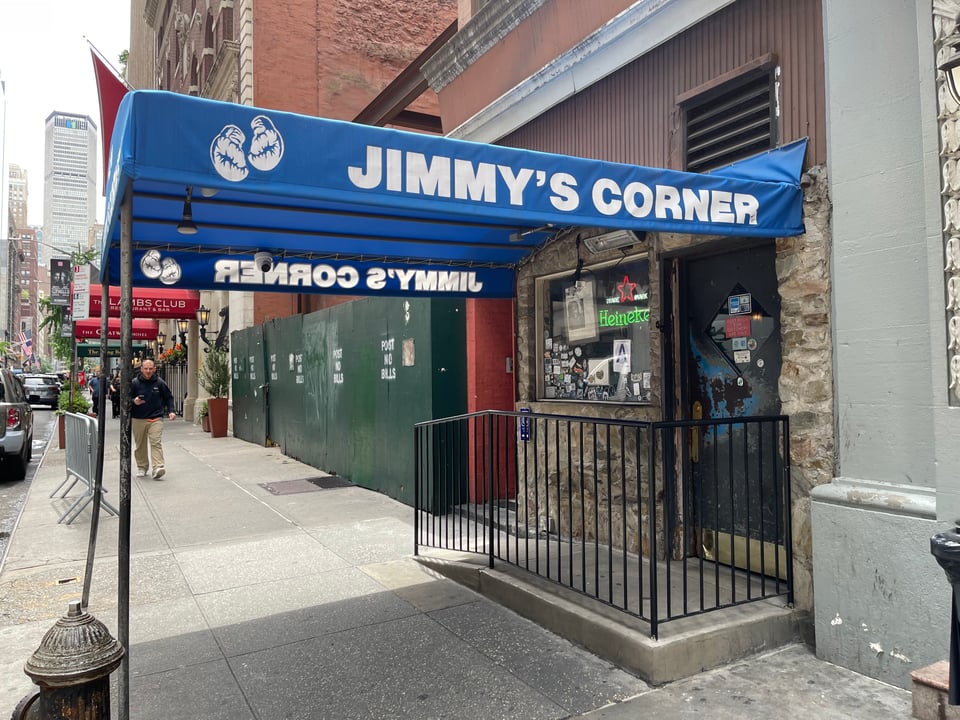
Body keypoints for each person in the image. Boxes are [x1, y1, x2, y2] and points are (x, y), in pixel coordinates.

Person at [130, 359, 177, 479]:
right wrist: (134, 401)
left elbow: (168, 397)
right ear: (141, 369)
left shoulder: (160, 383)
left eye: (150, 369)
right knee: (140, 444)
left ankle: (158, 467)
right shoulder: (134, 383)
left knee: (155, 442)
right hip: (138, 417)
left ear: (154, 369)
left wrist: (171, 411)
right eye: (146, 368)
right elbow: (126, 398)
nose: (148, 371)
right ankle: (142, 466)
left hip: (155, 417)